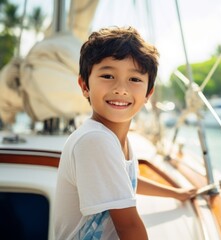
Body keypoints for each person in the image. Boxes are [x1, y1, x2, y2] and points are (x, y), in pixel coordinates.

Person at [54, 26, 196, 240]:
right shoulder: (95, 140)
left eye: (135, 79)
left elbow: (125, 181)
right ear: (84, 85)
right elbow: (129, 226)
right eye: (108, 75)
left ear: (148, 92)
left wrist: (175, 194)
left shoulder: (114, 138)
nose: (121, 88)